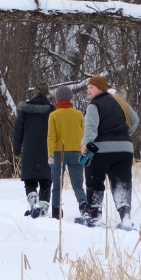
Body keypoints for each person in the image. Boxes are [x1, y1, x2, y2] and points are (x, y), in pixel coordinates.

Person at [76, 76, 140, 229]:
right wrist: (124, 136)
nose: (88, 90)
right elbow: (135, 120)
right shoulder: (121, 102)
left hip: (101, 150)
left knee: (94, 181)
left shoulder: (94, 105)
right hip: (124, 149)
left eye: (92, 87)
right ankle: (125, 218)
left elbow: (91, 126)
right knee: (122, 183)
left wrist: (85, 142)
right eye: (87, 88)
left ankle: (95, 216)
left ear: (100, 88)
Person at [46, 85, 89, 219]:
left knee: (57, 185)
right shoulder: (78, 114)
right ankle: (84, 208)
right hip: (77, 151)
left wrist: (50, 155)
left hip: (59, 153)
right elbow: (84, 134)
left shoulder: (54, 115)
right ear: (71, 99)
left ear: (57, 99)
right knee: (78, 184)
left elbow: (51, 136)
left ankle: (56, 211)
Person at [13, 83, 55, 218]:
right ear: (47, 93)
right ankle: (42, 209)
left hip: (30, 150)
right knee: (46, 181)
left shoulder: (25, 110)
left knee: (30, 181)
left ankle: (34, 204)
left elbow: (17, 131)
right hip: (47, 150)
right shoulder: (52, 110)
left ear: (34, 93)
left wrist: (16, 149)